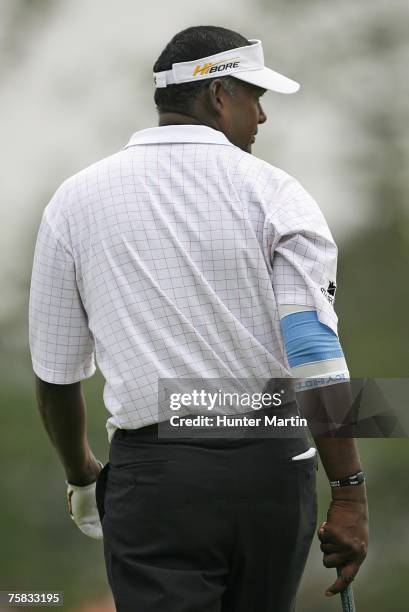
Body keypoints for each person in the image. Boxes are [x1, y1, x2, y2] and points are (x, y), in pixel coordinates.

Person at [29, 25, 368, 612]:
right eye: (253, 97)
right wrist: (349, 491)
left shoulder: (74, 200)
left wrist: (84, 474)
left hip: (156, 475)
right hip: (272, 466)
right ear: (216, 97)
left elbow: (56, 376)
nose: (261, 117)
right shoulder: (279, 193)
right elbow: (313, 352)